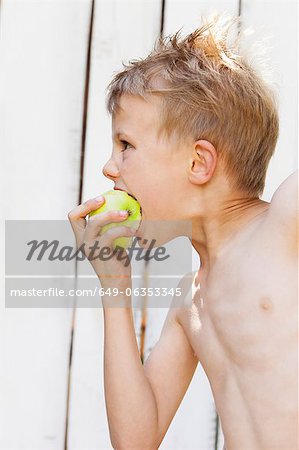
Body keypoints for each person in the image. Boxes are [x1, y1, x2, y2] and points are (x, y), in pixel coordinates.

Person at [68, 14, 298, 450]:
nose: (108, 167)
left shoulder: (286, 225)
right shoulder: (189, 301)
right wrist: (115, 288)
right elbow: (136, 440)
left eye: (126, 146)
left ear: (198, 163)